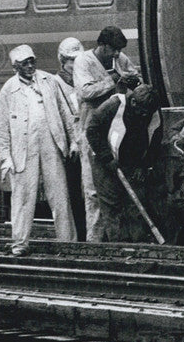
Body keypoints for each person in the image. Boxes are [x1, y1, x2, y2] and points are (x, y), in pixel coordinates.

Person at [0, 44, 78, 255]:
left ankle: (67, 243)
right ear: (16, 67)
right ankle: (20, 243)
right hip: (23, 149)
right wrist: (6, 158)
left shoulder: (49, 81)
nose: (31, 66)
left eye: (32, 61)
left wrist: (74, 140)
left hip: (51, 142)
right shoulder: (8, 89)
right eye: (25, 63)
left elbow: (65, 112)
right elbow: (3, 128)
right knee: (23, 197)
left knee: (60, 194)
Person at [74, 26, 142, 242]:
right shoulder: (83, 61)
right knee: (93, 191)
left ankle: (118, 238)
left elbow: (134, 77)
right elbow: (84, 92)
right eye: (113, 50)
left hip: (118, 132)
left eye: (119, 50)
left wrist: (133, 79)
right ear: (102, 45)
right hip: (91, 131)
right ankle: (95, 241)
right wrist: (113, 81)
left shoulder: (120, 58)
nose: (116, 54)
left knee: (118, 189)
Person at [86, 83, 163, 242]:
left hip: (133, 163)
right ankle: (119, 244)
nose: (144, 116)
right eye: (142, 112)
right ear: (133, 102)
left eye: (147, 113)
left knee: (136, 203)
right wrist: (106, 157)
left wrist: (144, 165)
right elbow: (92, 130)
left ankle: (139, 242)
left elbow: (155, 143)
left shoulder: (153, 113)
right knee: (112, 204)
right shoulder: (113, 106)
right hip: (105, 160)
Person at [53, 36, 86, 240]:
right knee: (73, 192)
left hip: (85, 142)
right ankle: (78, 235)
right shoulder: (55, 84)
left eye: (77, 60)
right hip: (70, 148)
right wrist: (71, 142)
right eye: (71, 61)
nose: (75, 65)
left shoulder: (83, 80)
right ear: (62, 61)